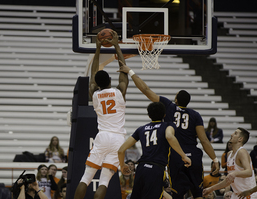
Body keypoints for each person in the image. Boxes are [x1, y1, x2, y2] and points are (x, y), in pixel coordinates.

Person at [118, 63, 219, 199]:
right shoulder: (195, 115)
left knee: (176, 193)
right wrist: (215, 159)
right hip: (193, 155)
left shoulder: (168, 108)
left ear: (176, 100)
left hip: (173, 157)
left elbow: (145, 89)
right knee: (197, 193)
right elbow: (204, 140)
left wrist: (130, 71)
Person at [74, 30, 129, 199]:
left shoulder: (95, 94)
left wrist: (97, 49)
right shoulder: (119, 91)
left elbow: (93, 75)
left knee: (86, 177)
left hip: (103, 136)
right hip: (118, 140)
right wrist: (117, 46)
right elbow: (123, 70)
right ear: (111, 81)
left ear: (97, 83)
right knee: (104, 181)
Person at [118, 102, 191, 199]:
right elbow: (169, 136)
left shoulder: (141, 129)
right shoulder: (168, 125)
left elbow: (121, 150)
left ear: (149, 115)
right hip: (156, 169)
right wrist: (184, 156)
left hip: (141, 169)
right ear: (164, 115)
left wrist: (122, 165)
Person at [203, 128, 257, 199]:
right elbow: (228, 181)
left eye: (235, 133)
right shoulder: (229, 154)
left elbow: (249, 172)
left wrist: (235, 173)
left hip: (248, 194)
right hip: (236, 194)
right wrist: (211, 189)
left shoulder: (242, 152)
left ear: (240, 139)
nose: (231, 134)